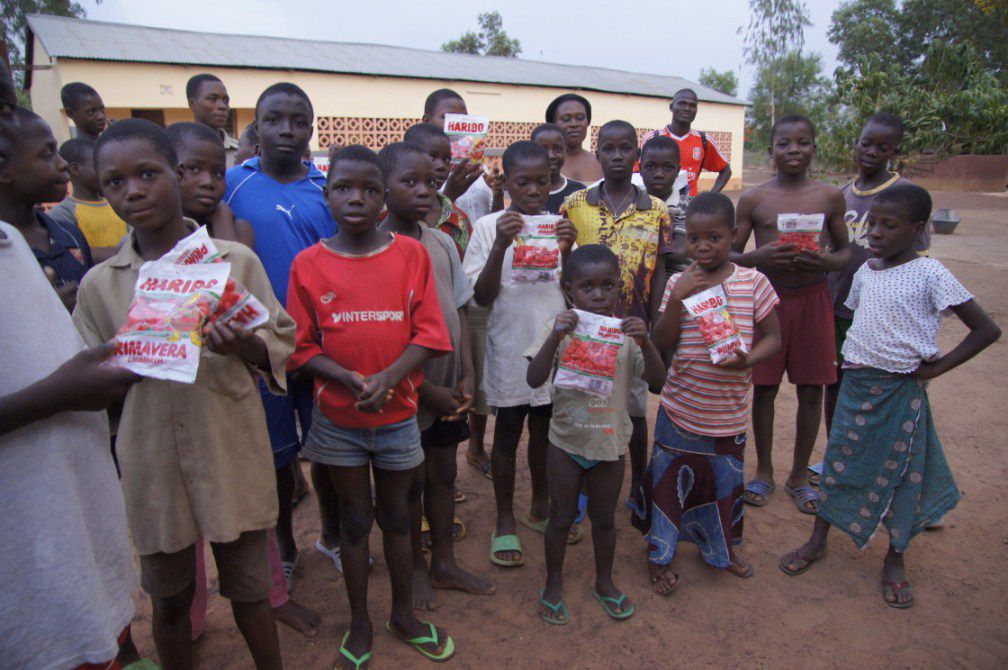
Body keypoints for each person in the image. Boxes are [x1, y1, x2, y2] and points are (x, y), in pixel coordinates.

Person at [74, 118, 293, 670]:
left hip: (229, 457)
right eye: (115, 182)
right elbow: (87, 372)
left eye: (148, 173)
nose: (134, 191)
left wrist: (245, 344)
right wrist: (128, 361)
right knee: (168, 601)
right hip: (153, 467)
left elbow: (279, 337)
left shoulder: (231, 262)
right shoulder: (101, 285)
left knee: (250, 594)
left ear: (179, 173)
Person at [778, 183, 1000, 608]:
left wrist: (937, 367)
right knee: (839, 460)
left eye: (888, 225)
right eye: (872, 224)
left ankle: (895, 557)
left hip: (901, 390)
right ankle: (818, 540)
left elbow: (987, 330)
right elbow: (864, 320)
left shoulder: (931, 273)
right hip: (856, 385)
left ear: (917, 229)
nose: (875, 233)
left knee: (902, 470)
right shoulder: (866, 271)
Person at [286, 145, 456, 666]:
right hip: (339, 422)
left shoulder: (411, 255)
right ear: (327, 194)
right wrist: (347, 377)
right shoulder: (309, 263)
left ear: (384, 199)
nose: (355, 198)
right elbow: (300, 346)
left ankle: (403, 615)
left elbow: (430, 333)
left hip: (400, 415)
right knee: (356, 523)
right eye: (343, 188)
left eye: (368, 189)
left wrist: (387, 378)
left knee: (400, 519)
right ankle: (360, 623)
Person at [0, 59, 143, 670]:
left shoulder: (11, 242)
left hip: (62, 514)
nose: (60, 162)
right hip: (28, 542)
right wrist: (63, 391)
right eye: (45, 154)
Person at [165, 120, 322, 639]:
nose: (207, 181)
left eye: (216, 171)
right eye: (191, 170)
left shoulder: (235, 243)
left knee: (249, 512)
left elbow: (256, 319)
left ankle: (272, 595)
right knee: (176, 532)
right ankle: (185, 619)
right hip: (168, 423)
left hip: (232, 406)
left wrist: (220, 218)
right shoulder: (127, 266)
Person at [635, 192, 781, 595]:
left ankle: (721, 547)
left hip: (729, 411)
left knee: (724, 485)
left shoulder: (754, 282)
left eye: (714, 237)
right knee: (668, 483)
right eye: (694, 239)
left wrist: (749, 360)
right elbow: (661, 338)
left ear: (733, 236)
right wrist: (679, 296)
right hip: (681, 407)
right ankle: (659, 552)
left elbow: (774, 339)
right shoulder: (681, 282)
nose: (703, 247)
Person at [225, 82, 338, 584]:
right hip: (258, 349)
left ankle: (333, 536)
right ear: (257, 126)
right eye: (274, 119)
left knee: (330, 452)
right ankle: (285, 547)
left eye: (298, 120)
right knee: (274, 457)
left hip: (320, 348)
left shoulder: (328, 191)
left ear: (312, 129)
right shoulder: (232, 185)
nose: (287, 130)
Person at [376, 141, 496, 611]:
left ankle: (444, 562)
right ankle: (416, 569)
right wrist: (427, 391)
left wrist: (467, 373)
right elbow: (379, 341)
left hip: (450, 389)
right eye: (410, 182)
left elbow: (461, 311)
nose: (425, 191)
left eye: (430, 181)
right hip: (408, 394)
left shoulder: (442, 241)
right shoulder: (377, 249)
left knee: (443, 474)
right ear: (382, 189)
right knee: (408, 485)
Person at [526, 245, 665, 624]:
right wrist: (556, 336)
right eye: (587, 287)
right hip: (566, 443)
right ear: (569, 289)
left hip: (609, 443)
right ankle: (553, 583)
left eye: (607, 286)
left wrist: (645, 341)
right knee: (560, 518)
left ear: (619, 288)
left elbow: (657, 382)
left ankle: (604, 582)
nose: (598, 295)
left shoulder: (625, 334)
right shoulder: (560, 329)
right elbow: (534, 378)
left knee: (604, 520)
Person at [462, 141, 578, 567]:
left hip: (551, 346)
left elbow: (573, 292)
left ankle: (541, 505)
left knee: (546, 434)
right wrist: (500, 246)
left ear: (551, 182)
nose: (532, 190)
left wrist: (568, 251)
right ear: (505, 182)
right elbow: (482, 295)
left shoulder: (558, 225)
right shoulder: (489, 226)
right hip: (510, 346)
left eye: (541, 181)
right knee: (507, 436)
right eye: (522, 182)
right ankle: (505, 517)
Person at [732, 114, 850, 514]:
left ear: (814, 147)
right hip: (767, 302)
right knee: (763, 387)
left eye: (803, 142)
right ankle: (763, 472)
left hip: (814, 299)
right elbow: (728, 253)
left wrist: (826, 263)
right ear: (771, 152)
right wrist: (755, 257)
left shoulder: (830, 196)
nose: (794, 150)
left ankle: (800, 475)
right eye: (784, 143)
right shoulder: (753, 199)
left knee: (811, 388)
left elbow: (846, 251)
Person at [561, 119, 673, 509]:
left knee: (634, 409)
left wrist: (654, 325)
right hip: (588, 331)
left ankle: (638, 484)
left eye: (626, 148)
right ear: (598, 152)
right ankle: (579, 484)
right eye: (608, 148)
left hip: (632, 328)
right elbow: (565, 265)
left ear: (637, 156)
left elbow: (659, 269)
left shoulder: (656, 210)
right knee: (585, 403)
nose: (617, 156)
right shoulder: (576, 205)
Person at [825, 113, 926, 434]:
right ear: (856, 144)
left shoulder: (905, 196)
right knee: (836, 382)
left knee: (876, 386)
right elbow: (829, 249)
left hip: (880, 314)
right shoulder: (842, 194)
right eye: (866, 143)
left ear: (894, 152)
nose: (871, 152)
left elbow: (917, 262)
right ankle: (834, 452)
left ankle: (875, 453)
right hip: (839, 307)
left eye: (883, 147)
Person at [420, 89, 499, 479]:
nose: (454, 134)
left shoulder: (473, 197)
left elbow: (462, 293)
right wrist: (445, 193)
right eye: (446, 120)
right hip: (407, 346)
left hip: (449, 338)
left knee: (445, 433)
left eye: (462, 121)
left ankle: (443, 489)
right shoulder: (389, 201)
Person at [0, 107, 90, 312]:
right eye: (47, 154)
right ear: (4, 171)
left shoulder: (69, 235)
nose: (63, 163)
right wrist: (44, 311)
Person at [167, 122, 255, 247]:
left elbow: (234, 264)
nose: (208, 182)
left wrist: (222, 220)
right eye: (193, 169)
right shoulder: (156, 228)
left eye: (218, 173)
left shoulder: (240, 229)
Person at [421, 88, 503, 222]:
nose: (458, 124)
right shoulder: (420, 170)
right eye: (448, 117)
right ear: (426, 121)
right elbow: (423, 228)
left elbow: (494, 224)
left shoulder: (480, 170)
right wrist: (449, 195)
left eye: (464, 118)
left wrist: (497, 193)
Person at [638, 88, 731, 196]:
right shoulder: (652, 138)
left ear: (696, 110)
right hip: (657, 204)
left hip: (689, 208)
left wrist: (711, 196)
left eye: (692, 105)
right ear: (672, 107)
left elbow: (726, 171)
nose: (687, 108)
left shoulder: (703, 140)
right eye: (682, 104)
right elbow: (637, 172)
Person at [48, 137, 128, 263]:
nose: (106, 172)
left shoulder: (116, 202)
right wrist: (125, 252)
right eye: (98, 166)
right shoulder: (64, 212)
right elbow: (76, 254)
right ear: (75, 169)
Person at [402, 123, 472, 259]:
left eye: (446, 159)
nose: (442, 166)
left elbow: (464, 271)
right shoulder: (386, 213)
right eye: (432, 157)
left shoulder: (460, 220)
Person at [639, 135, 691, 273]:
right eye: (651, 166)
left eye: (667, 168)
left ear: (678, 171)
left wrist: (637, 235)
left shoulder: (687, 205)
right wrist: (665, 233)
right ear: (640, 168)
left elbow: (679, 252)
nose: (659, 174)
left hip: (676, 281)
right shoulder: (630, 202)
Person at [545, 93, 602, 184]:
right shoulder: (542, 165)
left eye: (580, 118)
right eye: (566, 119)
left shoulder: (602, 164)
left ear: (588, 121)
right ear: (552, 124)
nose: (574, 124)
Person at [187, 73, 241, 166]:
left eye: (226, 101)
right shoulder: (179, 151)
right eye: (213, 99)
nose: (222, 106)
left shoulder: (240, 152)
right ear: (192, 104)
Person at [531, 122, 585, 214]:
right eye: (543, 149)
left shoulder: (578, 192)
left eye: (557, 149)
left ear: (566, 151)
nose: (551, 156)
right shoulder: (526, 191)